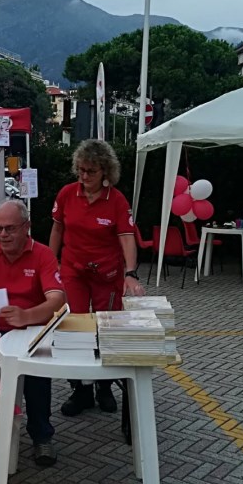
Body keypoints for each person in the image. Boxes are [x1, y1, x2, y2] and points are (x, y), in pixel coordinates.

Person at [0, 200, 66, 466]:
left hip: (30, 330)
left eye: (10, 228)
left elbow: (58, 299)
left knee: (35, 369)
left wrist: (27, 316)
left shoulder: (42, 254)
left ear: (27, 227)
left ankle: (41, 436)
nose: (3, 235)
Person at [49, 139, 144, 417]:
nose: (84, 176)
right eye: (80, 170)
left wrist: (130, 274)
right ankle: (80, 390)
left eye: (90, 171)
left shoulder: (116, 200)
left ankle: (104, 387)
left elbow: (127, 238)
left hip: (107, 274)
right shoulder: (67, 194)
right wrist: (50, 263)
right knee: (76, 329)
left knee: (105, 329)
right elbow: (56, 230)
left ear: (105, 171)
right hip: (73, 270)